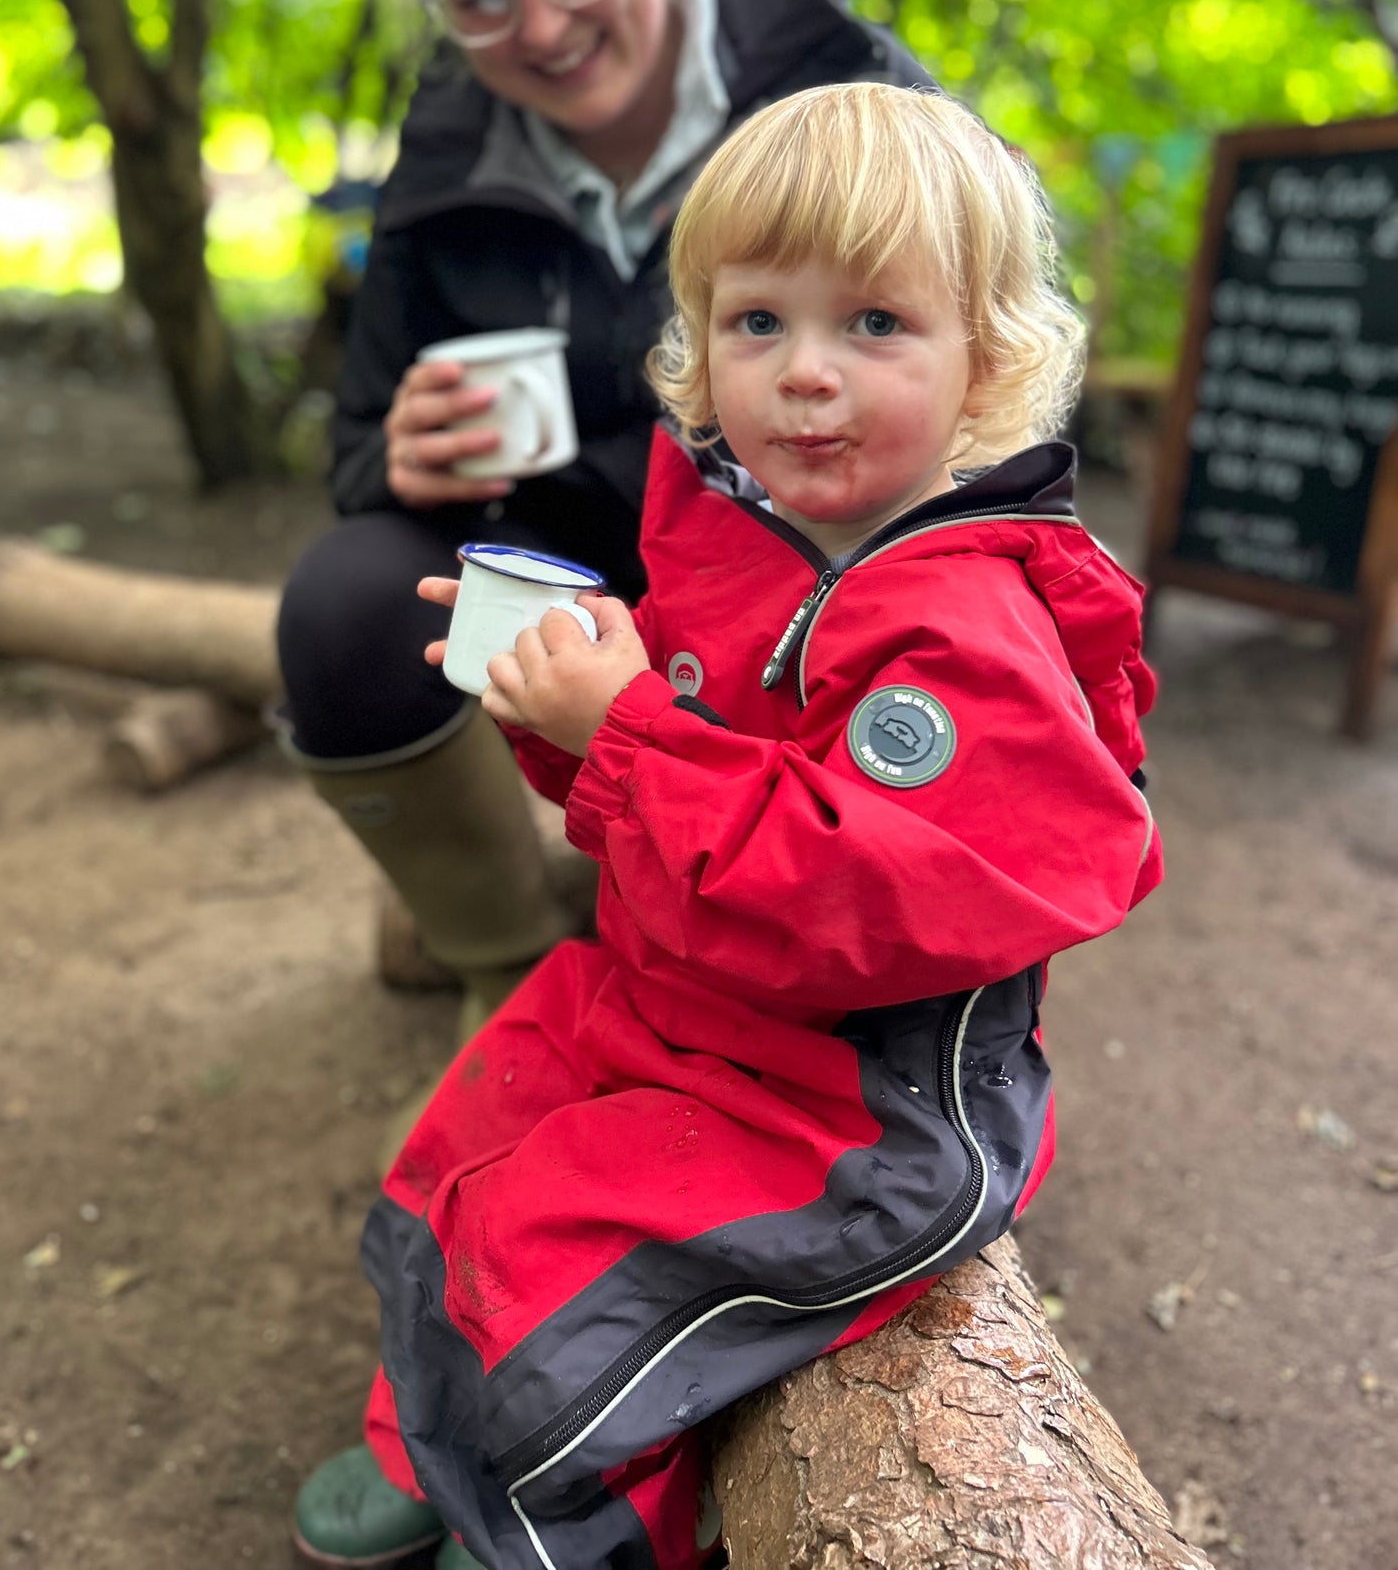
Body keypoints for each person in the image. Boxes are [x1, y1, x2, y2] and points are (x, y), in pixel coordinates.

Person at [290, 84, 1164, 1570]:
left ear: (987, 360)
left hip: (853, 1104)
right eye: (758, 323)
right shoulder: (756, 537)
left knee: (571, 1271)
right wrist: (555, 700)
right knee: (471, 1136)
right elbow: (674, 806)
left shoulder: (967, 625)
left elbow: (846, 894)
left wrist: (622, 732)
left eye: (874, 325)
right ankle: (428, 1442)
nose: (805, 376)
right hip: (681, 1002)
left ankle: (540, 1520)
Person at [275, 0, 935, 1041]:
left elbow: (995, 400)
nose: (543, 26)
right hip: (581, 581)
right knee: (348, 603)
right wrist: (400, 452)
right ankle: (511, 976)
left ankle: (845, 980)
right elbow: (357, 449)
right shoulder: (450, 131)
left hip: (807, 569)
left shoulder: (840, 82)